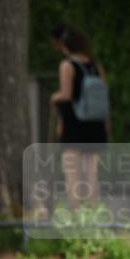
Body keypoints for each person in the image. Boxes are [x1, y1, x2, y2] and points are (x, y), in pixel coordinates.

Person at [49, 24, 109, 210]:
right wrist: (107, 126)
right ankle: (94, 216)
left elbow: (66, 95)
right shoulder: (95, 66)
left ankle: (76, 215)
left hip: (74, 125)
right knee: (92, 173)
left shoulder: (67, 65)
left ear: (62, 45)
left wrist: (54, 97)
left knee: (73, 173)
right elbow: (104, 97)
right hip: (96, 124)